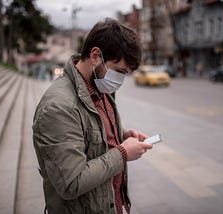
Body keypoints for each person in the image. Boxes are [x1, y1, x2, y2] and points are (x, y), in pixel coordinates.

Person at [33, 18, 153, 214]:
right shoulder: (58, 107)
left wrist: (120, 136)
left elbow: (88, 129)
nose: (120, 80)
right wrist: (122, 153)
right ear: (96, 56)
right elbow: (71, 182)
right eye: (120, 71)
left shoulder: (98, 85)